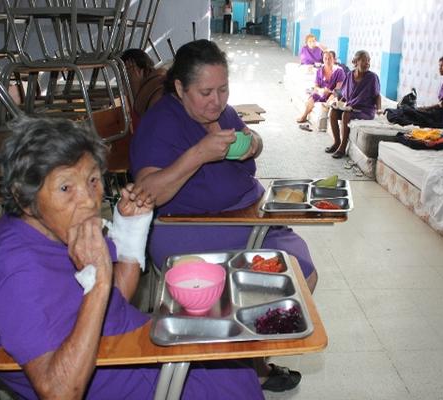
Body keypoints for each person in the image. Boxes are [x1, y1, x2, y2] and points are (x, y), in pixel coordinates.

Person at [0, 116, 264, 400]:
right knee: (230, 381)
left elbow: (116, 298)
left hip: (120, 347)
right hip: (114, 379)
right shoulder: (18, 276)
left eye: (93, 180)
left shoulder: (56, 229)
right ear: (24, 197)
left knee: (234, 365)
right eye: (66, 187)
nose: (88, 200)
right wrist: (97, 285)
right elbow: (59, 392)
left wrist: (130, 231)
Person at [130, 39, 313, 392]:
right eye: (206, 92)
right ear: (180, 88)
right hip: (191, 228)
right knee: (283, 278)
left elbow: (248, 137)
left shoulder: (218, 113)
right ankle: (247, 369)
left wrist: (253, 143)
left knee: (302, 272)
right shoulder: (161, 123)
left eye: (224, 89)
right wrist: (198, 154)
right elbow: (147, 193)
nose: (217, 100)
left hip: (245, 217)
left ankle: (251, 360)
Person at [326, 50, 381, 158]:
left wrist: (379, 109)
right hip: (351, 107)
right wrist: (338, 103)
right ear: (355, 62)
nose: (367, 63)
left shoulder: (372, 77)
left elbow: (377, 95)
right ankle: (336, 142)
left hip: (365, 110)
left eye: (369, 61)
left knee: (346, 114)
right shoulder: (349, 75)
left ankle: (342, 147)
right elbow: (344, 93)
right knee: (333, 112)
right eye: (364, 60)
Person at [120, 48, 167, 130]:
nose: (123, 82)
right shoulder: (159, 80)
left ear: (138, 71)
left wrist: (137, 91)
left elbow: (145, 129)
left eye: (126, 76)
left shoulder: (158, 89)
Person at [296, 50, 346, 124]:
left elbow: (338, 89)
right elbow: (316, 86)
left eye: (330, 58)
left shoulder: (339, 71)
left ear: (334, 59)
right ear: (323, 59)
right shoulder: (319, 71)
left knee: (332, 97)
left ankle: (327, 109)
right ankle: (304, 116)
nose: (327, 60)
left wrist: (329, 92)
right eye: (325, 58)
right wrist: (321, 90)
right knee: (313, 97)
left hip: (333, 94)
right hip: (322, 93)